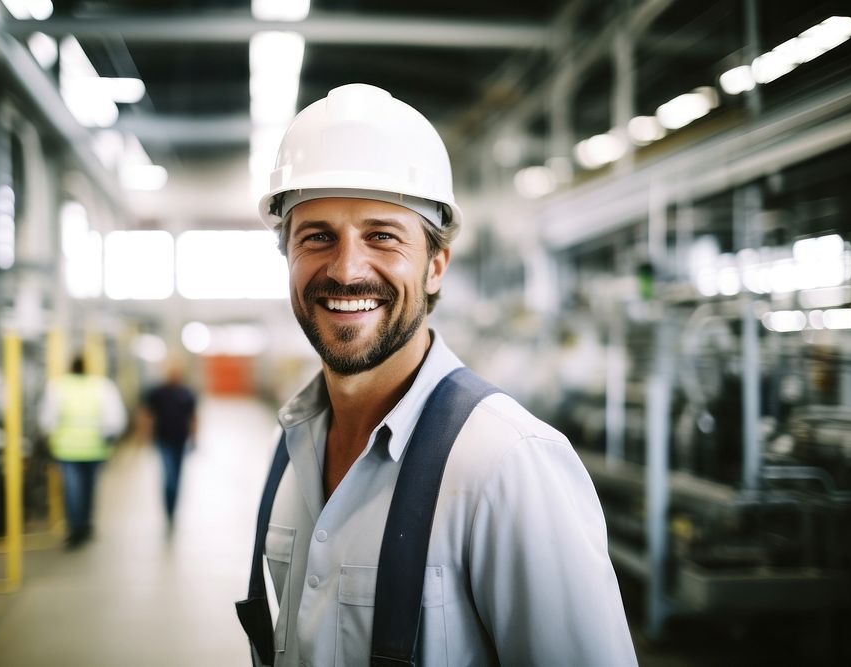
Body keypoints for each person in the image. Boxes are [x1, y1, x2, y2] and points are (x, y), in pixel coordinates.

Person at [237, 83, 637, 665]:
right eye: (317, 236)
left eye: (382, 236)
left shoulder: (506, 463)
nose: (346, 270)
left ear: (436, 266)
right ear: (289, 259)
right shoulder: (292, 445)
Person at [38, 355, 126, 549]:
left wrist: (50, 438)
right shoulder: (102, 386)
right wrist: (108, 436)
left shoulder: (58, 387)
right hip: (95, 449)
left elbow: (47, 420)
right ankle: (86, 525)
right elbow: (115, 418)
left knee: (72, 491)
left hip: (67, 450)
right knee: (89, 489)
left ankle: (75, 530)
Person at [143, 361, 196, 526]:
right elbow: (147, 414)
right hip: (163, 440)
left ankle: (172, 509)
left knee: (177, 476)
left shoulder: (187, 393)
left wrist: (194, 437)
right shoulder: (158, 392)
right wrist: (145, 435)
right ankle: (167, 508)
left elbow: (193, 417)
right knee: (169, 476)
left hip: (180, 441)